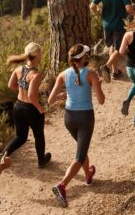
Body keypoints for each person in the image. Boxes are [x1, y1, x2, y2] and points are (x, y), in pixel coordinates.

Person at [48, 44, 105, 208]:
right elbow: (101, 101)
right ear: (85, 58)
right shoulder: (91, 75)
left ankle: (88, 174)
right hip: (85, 118)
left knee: (82, 148)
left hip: (69, 118)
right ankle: (62, 185)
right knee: (79, 156)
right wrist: (97, 85)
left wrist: (64, 95)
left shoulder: (63, 75)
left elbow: (51, 101)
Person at [2, 42, 51, 168]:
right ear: (38, 56)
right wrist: (40, 109)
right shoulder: (36, 75)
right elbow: (31, 96)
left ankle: (5, 153)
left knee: (21, 137)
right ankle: (41, 161)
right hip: (31, 109)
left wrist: (21, 88)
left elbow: (10, 85)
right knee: (39, 135)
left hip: (18, 107)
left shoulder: (18, 69)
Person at [90, 0, 135, 77]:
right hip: (119, 25)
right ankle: (106, 66)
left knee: (111, 47)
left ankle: (115, 72)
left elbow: (92, 6)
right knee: (119, 49)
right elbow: (128, 8)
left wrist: (97, 13)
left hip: (106, 24)